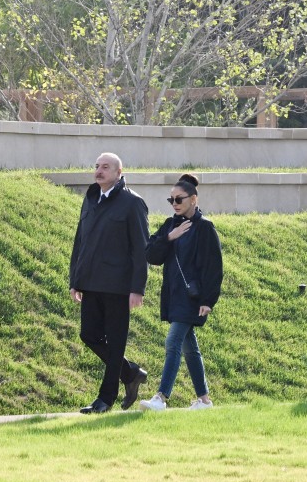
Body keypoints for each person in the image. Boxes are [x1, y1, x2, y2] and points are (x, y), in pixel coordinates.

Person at [69, 152, 150, 414]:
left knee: (115, 343)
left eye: (105, 167)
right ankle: (130, 373)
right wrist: (75, 280)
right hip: (91, 283)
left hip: (118, 286)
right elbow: (80, 242)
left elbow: (141, 249)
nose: (99, 171)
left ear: (118, 172)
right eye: (96, 166)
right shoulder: (91, 198)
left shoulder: (132, 203)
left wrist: (137, 288)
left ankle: (105, 399)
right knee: (88, 335)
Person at [141, 174, 223, 411]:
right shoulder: (170, 224)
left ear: (193, 199)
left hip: (193, 298)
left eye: (179, 199)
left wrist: (208, 300)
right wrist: (169, 237)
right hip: (174, 295)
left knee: (173, 341)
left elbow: (214, 267)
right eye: (171, 200)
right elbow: (151, 255)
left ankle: (161, 397)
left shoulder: (205, 228)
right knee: (189, 347)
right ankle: (204, 400)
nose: (174, 204)